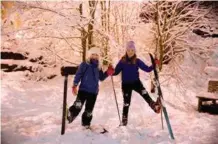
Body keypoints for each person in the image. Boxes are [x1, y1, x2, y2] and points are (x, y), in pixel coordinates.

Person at [107, 41, 161, 126]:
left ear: (134, 51)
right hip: (126, 85)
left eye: (132, 50)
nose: (130, 52)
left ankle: (155, 106)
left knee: (145, 94)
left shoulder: (137, 61)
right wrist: (110, 71)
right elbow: (116, 72)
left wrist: (154, 65)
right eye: (128, 50)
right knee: (126, 103)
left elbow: (147, 69)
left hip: (136, 83)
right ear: (126, 50)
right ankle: (124, 122)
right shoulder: (122, 61)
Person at [67, 47, 110, 128]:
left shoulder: (99, 67)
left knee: (89, 110)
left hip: (93, 92)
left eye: (96, 55)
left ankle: (86, 124)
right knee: (78, 106)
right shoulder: (84, 64)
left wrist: (108, 72)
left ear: (98, 56)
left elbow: (101, 78)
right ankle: (69, 116)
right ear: (90, 55)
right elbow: (78, 75)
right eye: (93, 54)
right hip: (83, 90)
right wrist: (75, 85)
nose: (94, 56)